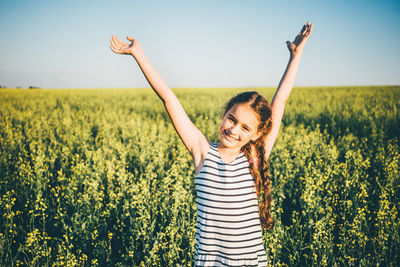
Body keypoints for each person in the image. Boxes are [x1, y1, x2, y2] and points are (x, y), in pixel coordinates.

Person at [110, 21, 313, 266]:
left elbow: (279, 103)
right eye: (232, 119)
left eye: (246, 128)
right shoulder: (203, 151)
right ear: (225, 114)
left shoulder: (256, 157)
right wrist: (138, 54)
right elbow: (168, 98)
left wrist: (295, 56)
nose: (234, 130)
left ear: (257, 134)